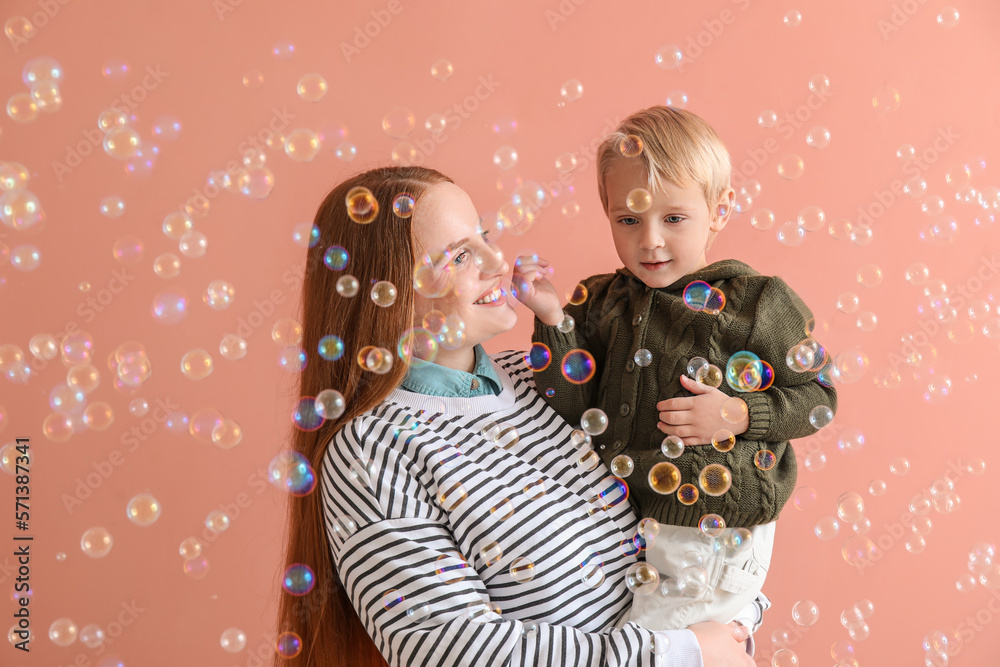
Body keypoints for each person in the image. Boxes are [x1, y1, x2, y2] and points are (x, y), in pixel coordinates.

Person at [274, 165, 761, 666]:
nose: (495, 260)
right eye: (460, 255)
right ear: (389, 291)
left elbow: (687, 524)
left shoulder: (548, 379)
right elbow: (449, 648)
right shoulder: (372, 449)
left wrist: (736, 619)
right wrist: (680, 653)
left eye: (483, 237)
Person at [514, 107, 838, 633]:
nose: (650, 241)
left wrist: (736, 414)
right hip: (631, 522)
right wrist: (552, 318)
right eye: (628, 220)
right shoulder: (600, 302)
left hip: (712, 528)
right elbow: (573, 407)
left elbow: (819, 397)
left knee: (655, 649)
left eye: (673, 217)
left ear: (720, 210)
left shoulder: (755, 303)